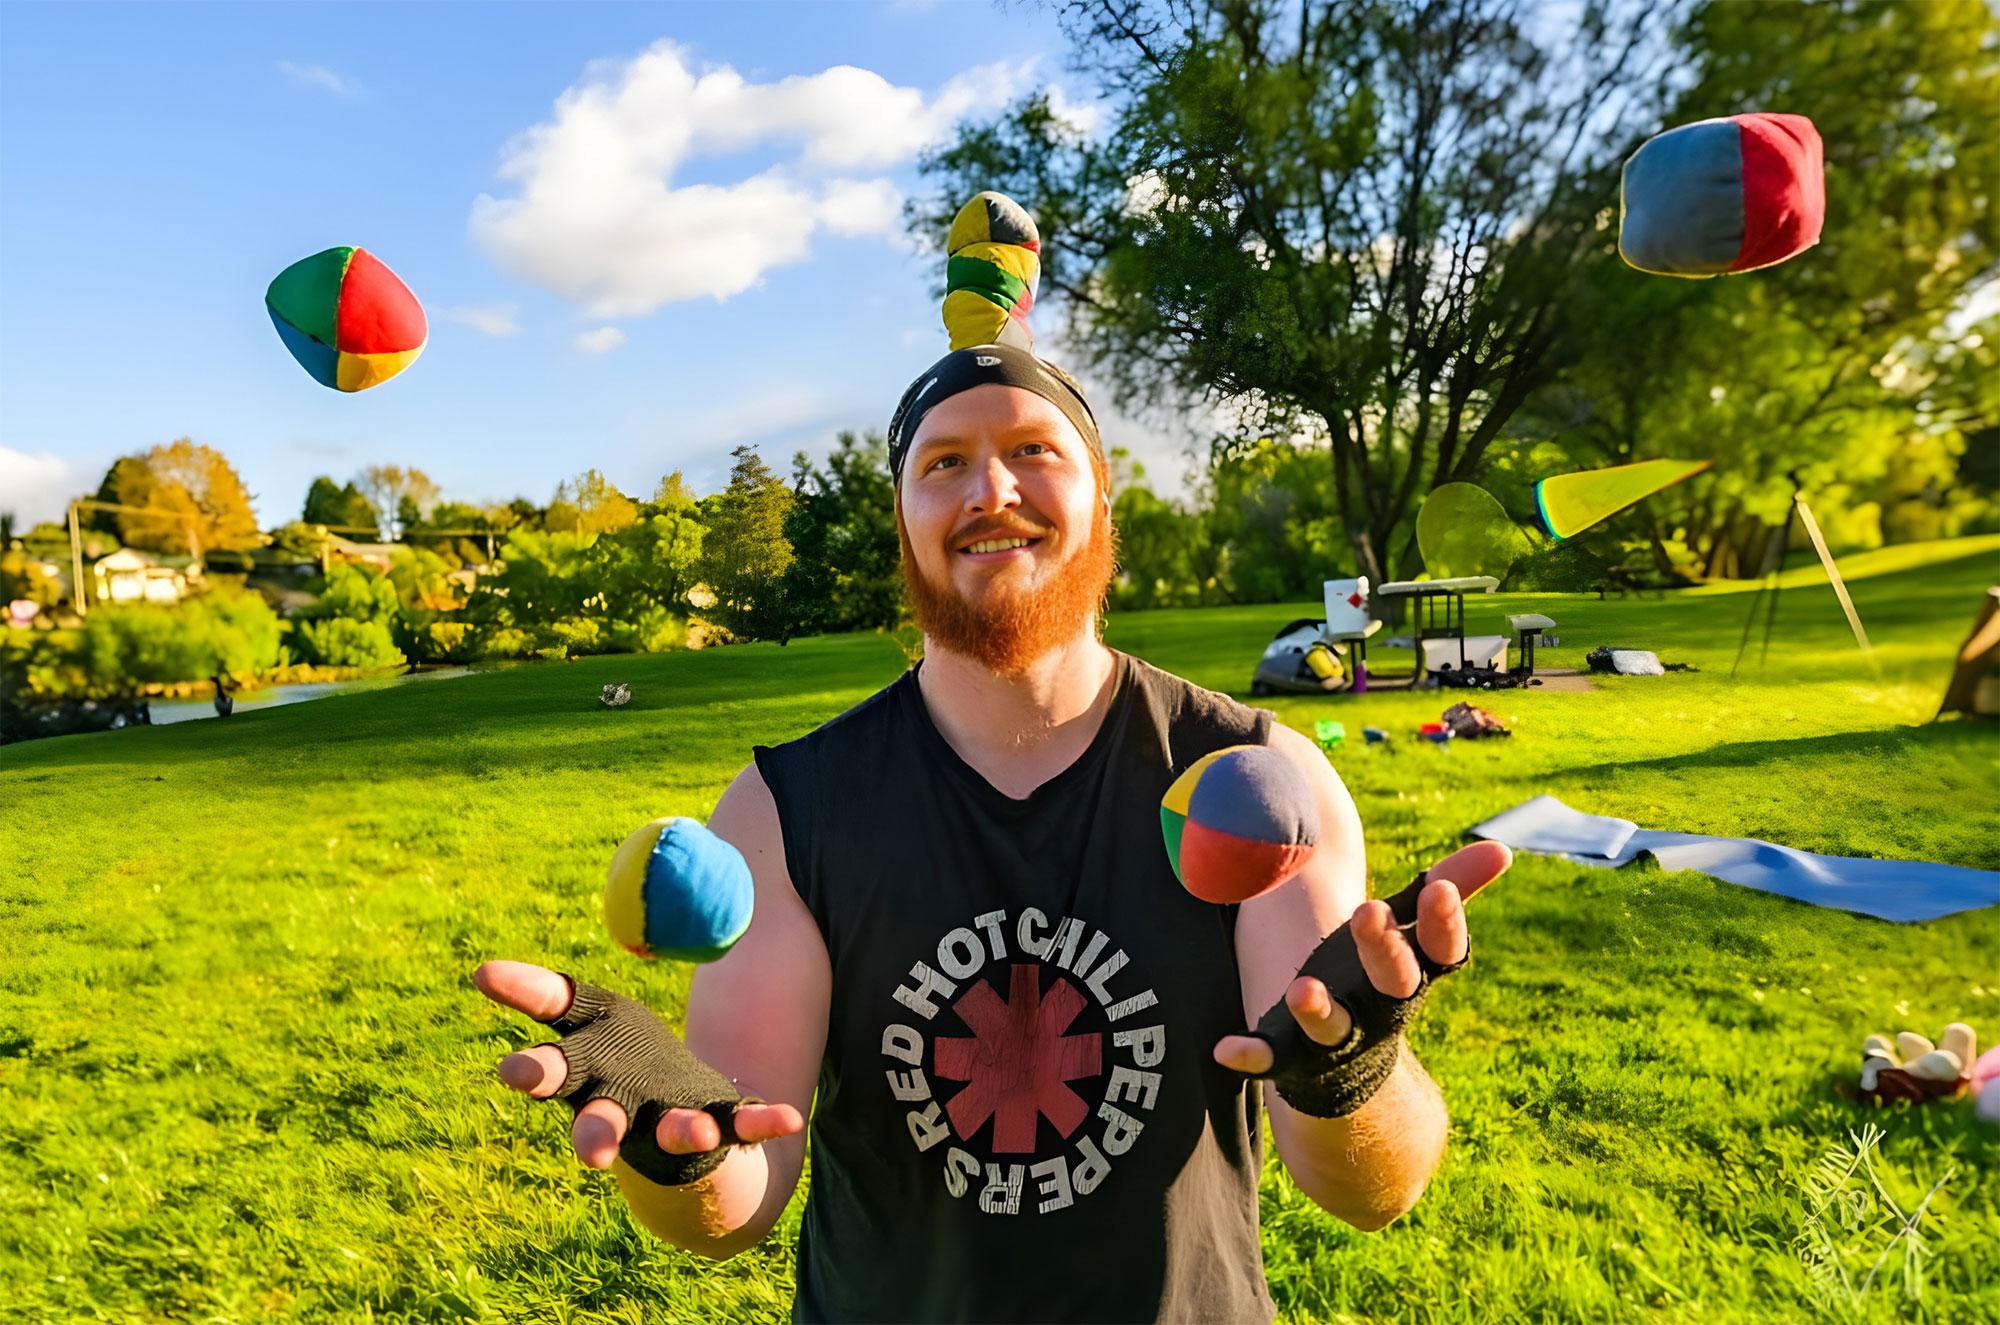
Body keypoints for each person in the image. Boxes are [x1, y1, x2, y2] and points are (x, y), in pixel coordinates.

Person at [473, 342, 1511, 1323]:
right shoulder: (785, 808)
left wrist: (1349, 1071)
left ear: (1103, 496)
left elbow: (1371, 1191)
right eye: (944, 463)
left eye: (1031, 450)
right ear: (904, 519)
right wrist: (676, 1148)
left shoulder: (1254, 782)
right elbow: (734, 1203)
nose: (989, 490)